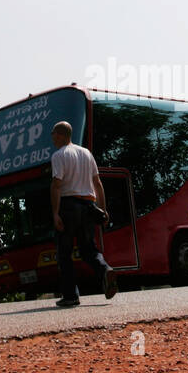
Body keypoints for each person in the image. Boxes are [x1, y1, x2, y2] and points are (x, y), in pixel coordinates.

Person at [49, 121, 118, 308]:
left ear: (62, 134)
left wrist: (55, 213)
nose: (52, 137)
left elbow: (56, 185)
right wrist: (103, 210)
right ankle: (105, 270)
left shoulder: (59, 155)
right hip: (89, 206)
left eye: (53, 133)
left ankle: (71, 296)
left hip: (69, 206)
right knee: (89, 249)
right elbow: (98, 183)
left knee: (64, 252)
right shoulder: (86, 154)